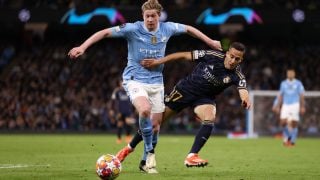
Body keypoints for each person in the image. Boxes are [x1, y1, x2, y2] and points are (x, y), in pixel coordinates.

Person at [68, 0, 221, 174]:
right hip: (134, 79)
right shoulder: (132, 29)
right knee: (145, 110)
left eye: (153, 16)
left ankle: (142, 162)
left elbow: (189, 29)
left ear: (158, 16)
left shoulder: (167, 28)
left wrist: (209, 41)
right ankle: (150, 152)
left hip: (156, 82)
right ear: (142, 16)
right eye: (147, 16)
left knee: (156, 126)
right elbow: (104, 33)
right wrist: (83, 47)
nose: (149, 19)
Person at [116, 42, 250, 169]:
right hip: (184, 91)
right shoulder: (212, 56)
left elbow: (243, 90)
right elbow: (183, 55)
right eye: (231, 56)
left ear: (241, 60)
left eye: (237, 59)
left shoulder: (237, 74)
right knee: (154, 124)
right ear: (227, 53)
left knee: (210, 116)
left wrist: (245, 99)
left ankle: (191, 156)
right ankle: (128, 149)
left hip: (204, 98)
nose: (233, 61)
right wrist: (158, 61)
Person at [273, 68, 305, 147]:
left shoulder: (298, 83)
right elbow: (280, 95)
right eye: (289, 73)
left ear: (294, 74)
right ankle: (289, 137)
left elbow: (301, 95)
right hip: (285, 105)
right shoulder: (283, 83)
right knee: (283, 123)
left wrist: (302, 106)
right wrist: (276, 105)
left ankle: (292, 141)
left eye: (291, 73)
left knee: (294, 123)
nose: (290, 74)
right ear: (287, 74)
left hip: (295, 104)